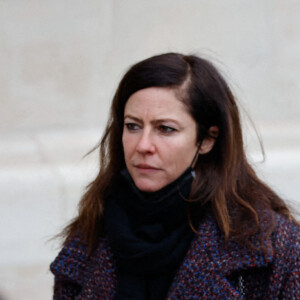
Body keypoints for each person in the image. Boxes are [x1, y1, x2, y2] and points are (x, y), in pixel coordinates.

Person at [50, 53, 300, 299]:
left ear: (207, 139)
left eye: (165, 129)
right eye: (133, 126)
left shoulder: (274, 248)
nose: (143, 145)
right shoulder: (88, 239)